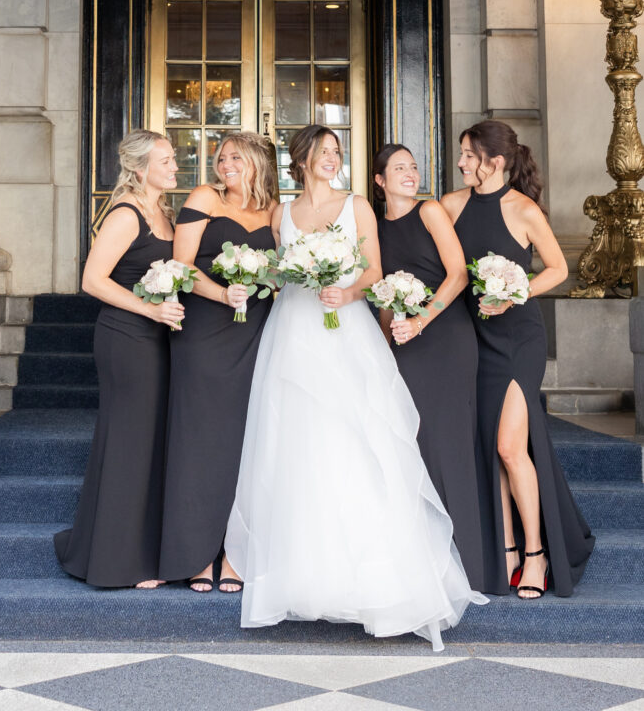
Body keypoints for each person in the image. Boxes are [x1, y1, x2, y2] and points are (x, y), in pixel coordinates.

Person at [225, 125, 487, 649]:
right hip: (294, 336)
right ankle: (306, 577)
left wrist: (345, 293)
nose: (331, 159)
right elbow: (279, 277)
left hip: (347, 332)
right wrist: (249, 282)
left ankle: (379, 581)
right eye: (323, 153)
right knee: (300, 447)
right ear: (302, 160)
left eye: (337, 152)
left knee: (361, 442)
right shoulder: (283, 214)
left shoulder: (357, 205)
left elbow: (373, 271)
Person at [442, 120, 594, 599]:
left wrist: (515, 292)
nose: (462, 162)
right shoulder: (449, 205)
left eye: (469, 154)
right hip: (473, 340)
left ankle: (536, 552)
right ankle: (504, 549)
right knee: (489, 448)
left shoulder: (523, 210)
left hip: (518, 340)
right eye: (463, 154)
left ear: (496, 161)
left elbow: (559, 269)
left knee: (511, 447)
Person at [54, 129, 183, 588]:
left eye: (173, 158)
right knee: (131, 444)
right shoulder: (126, 215)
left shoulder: (163, 212)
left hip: (158, 338)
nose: (174, 166)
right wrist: (150, 308)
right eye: (166, 160)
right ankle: (119, 561)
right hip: (126, 338)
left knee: (147, 443)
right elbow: (93, 280)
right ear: (140, 167)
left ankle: (122, 547)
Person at [160, 132, 277, 592]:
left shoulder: (273, 210)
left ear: (256, 163)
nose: (225, 164)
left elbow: (281, 269)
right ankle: (194, 552)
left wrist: (275, 283)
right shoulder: (204, 197)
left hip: (254, 332)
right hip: (206, 330)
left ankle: (234, 553)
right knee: (199, 439)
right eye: (221, 157)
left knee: (243, 443)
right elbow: (182, 265)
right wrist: (222, 292)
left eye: (235, 157)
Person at [375, 144, 485, 591]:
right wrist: (386, 342)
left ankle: (468, 567)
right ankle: (420, 561)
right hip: (402, 343)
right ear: (379, 180)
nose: (410, 173)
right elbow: (380, 292)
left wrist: (423, 317)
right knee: (410, 446)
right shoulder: (375, 227)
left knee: (446, 446)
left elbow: (458, 274)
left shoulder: (431, 211)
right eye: (399, 168)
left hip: (444, 338)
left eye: (414, 167)